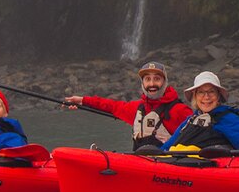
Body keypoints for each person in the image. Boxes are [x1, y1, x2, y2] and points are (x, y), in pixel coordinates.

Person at [65, 61, 193, 151]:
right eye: (147, 79)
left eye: (157, 79)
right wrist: (83, 101)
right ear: (142, 83)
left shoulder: (179, 110)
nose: (152, 84)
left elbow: (199, 134)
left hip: (168, 170)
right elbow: (111, 106)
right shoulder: (137, 108)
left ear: (165, 82)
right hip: (141, 165)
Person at [161, 71, 239, 152]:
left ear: (218, 96)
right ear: (195, 96)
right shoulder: (190, 120)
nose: (206, 97)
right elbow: (167, 147)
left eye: (211, 92)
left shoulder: (227, 119)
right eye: (201, 92)